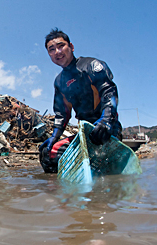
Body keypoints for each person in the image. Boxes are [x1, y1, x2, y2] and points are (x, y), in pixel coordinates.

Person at [39, 28, 122, 173]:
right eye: (51, 50)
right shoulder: (59, 82)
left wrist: (106, 120)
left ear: (71, 46)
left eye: (61, 46)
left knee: (101, 140)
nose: (57, 52)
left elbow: (109, 93)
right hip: (85, 132)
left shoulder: (92, 66)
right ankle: (62, 191)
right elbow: (61, 114)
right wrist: (54, 137)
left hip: (107, 127)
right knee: (48, 154)